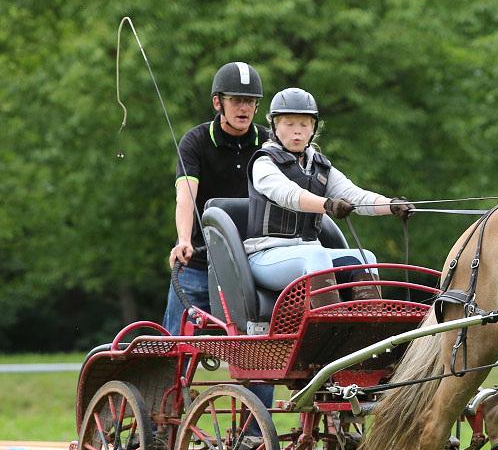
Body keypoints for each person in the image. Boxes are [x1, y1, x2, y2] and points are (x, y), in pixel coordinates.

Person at [245, 87, 414, 306]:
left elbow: (355, 195)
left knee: (366, 259)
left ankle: (370, 329)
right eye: (289, 124)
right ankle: (330, 331)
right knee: (316, 255)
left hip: (312, 256)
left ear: (312, 128)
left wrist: (391, 205)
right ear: (275, 127)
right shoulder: (263, 163)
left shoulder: (321, 166)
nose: (297, 131)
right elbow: (289, 195)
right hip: (266, 257)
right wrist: (328, 205)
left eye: (304, 124)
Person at [161, 61, 269, 334]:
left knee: (260, 355)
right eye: (236, 100)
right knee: (175, 352)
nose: (244, 108)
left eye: (250, 101)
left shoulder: (269, 143)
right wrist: (184, 239)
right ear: (218, 103)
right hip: (198, 264)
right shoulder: (195, 142)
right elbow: (185, 195)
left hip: (250, 266)